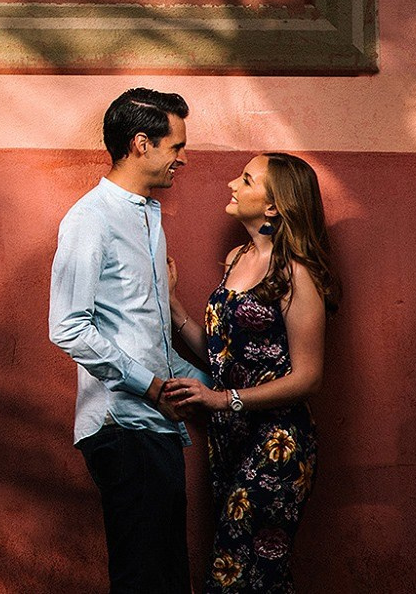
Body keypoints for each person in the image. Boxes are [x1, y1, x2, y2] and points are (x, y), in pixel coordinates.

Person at [50, 87, 206, 594]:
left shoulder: (146, 217)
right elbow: (68, 326)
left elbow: (146, 335)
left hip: (153, 425)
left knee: (166, 579)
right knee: (144, 580)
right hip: (123, 424)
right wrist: (151, 386)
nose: (182, 158)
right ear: (142, 144)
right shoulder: (91, 219)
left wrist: (218, 391)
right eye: (175, 147)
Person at [162, 153, 341, 594]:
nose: (231, 184)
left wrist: (223, 400)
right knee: (258, 578)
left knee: (236, 576)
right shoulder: (236, 258)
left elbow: (309, 377)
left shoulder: (296, 274)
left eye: (245, 179)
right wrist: (174, 307)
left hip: (278, 443)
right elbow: (223, 357)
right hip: (229, 440)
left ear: (274, 206)